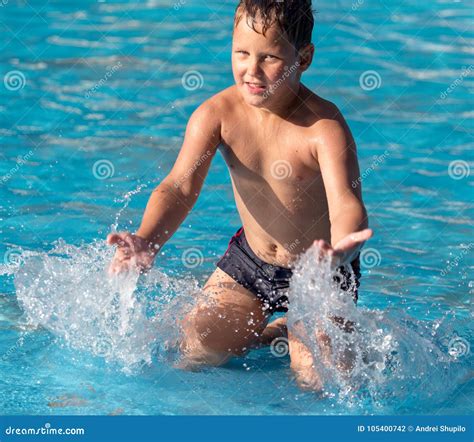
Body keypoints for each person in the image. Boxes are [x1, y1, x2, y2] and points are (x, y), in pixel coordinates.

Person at [107, 0, 372, 390]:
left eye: (269, 58)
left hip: (319, 271)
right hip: (251, 263)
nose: (252, 70)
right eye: (241, 53)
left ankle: (292, 327)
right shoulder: (217, 114)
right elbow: (179, 188)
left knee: (320, 381)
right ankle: (276, 329)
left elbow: (347, 204)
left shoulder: (323, 127)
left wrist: (341, 251)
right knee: (196, 352)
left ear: (305, 57)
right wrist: (148, 239)